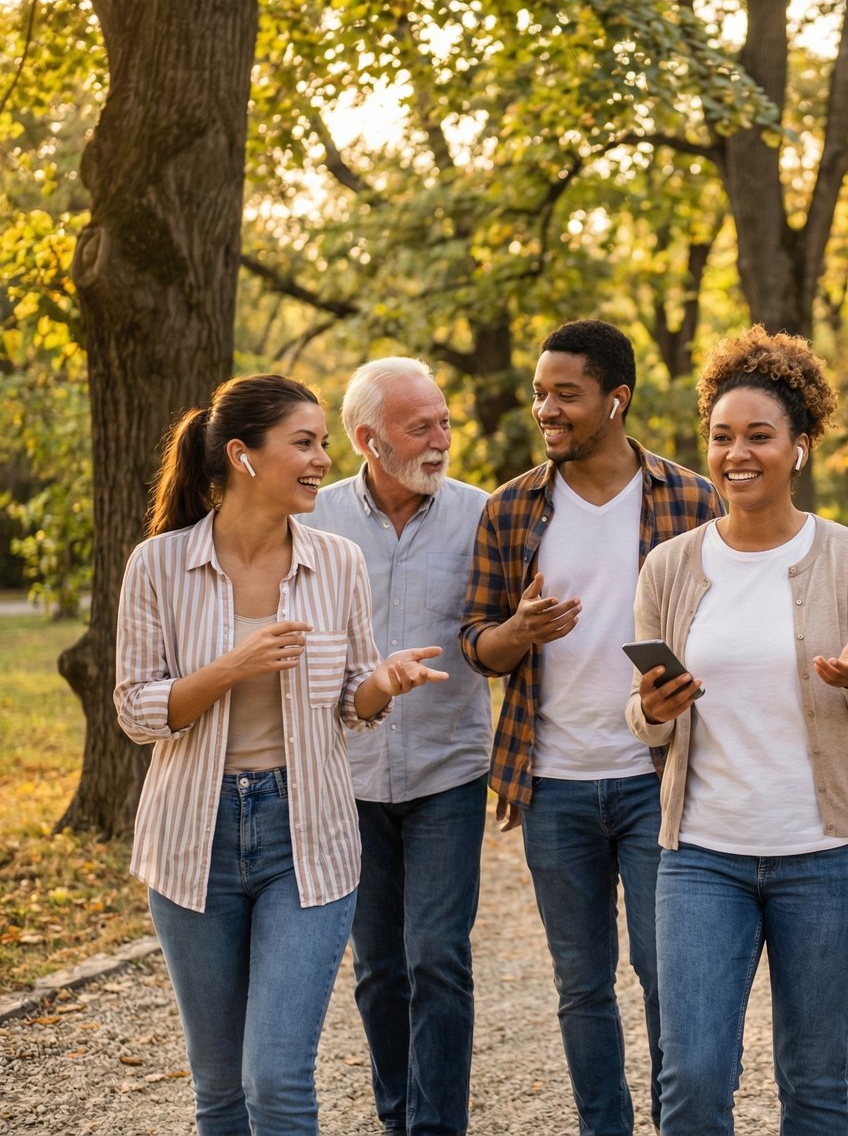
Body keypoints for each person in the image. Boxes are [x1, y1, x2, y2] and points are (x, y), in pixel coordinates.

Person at [114, 373, 448, 1136]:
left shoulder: (336, 562)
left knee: (277, 1078)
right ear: (242, 455)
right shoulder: (158, 566)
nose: (321, 459)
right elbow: (135, 711)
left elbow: (351, 702)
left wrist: (381, 684)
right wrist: (232, 666)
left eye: (323, 442)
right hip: (191, 842)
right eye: (303, 443)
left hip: (308, 837)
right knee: (221, 1088)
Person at [627, 325, 848, 1136]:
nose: (736, 453)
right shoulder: (670, 567)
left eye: (758, 435)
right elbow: (637, 716)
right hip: (700, 857)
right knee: (692, 1076)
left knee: (814, 1081)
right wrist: (654, 708)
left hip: (825, 859)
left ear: (800, 448)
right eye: (721, 436)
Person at [459, 319, 720, 1135]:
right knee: (582, 984)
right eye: (541, 393)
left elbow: (724, 629)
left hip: (658, 778)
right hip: (555, 785)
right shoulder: (511, 508)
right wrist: (520, 632)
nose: (546, 408)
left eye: (564, 393)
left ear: (617, 399)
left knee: (664, 972)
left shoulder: (690, 499)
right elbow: (478, 644)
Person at [306, 357, 491, 1136]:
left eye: (445, 421)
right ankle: (397, 1115)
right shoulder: (313, 517)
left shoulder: (482, 513)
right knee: (379, 965)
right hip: (346, 774)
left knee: (438, 955)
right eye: (422, 427)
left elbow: (500, 634)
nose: (441, 438)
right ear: (368, 439)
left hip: (449, 767)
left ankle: (436, 1125)